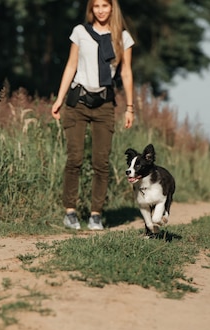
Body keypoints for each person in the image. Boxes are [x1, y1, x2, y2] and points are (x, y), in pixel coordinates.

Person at [51, 0, 135, 231]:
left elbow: (126, 73)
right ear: (91, 8)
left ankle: (96, 214)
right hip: (77, 101)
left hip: (104, 105)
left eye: (105, 6)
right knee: (75, 158)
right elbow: (70, 66)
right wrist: (59, 99)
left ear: (112, 8)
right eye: (96, 6)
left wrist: (130, 107)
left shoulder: (122, 37)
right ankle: (70, 212)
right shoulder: (80, 32)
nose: (100, 10)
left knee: (101, 162)